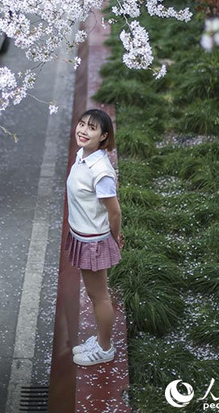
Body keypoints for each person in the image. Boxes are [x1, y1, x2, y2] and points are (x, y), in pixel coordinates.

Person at [65, 108, 123, 366]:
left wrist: (115, 237)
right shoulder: (83, 156)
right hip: (84, 235)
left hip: (94, 241)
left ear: (104, 136)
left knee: (99, 296)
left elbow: (115, 211)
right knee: (94, 293)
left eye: (91, 128)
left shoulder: (101, 171)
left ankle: (105, 348)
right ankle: (101, 339)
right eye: (82, 124)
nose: (83, 130)